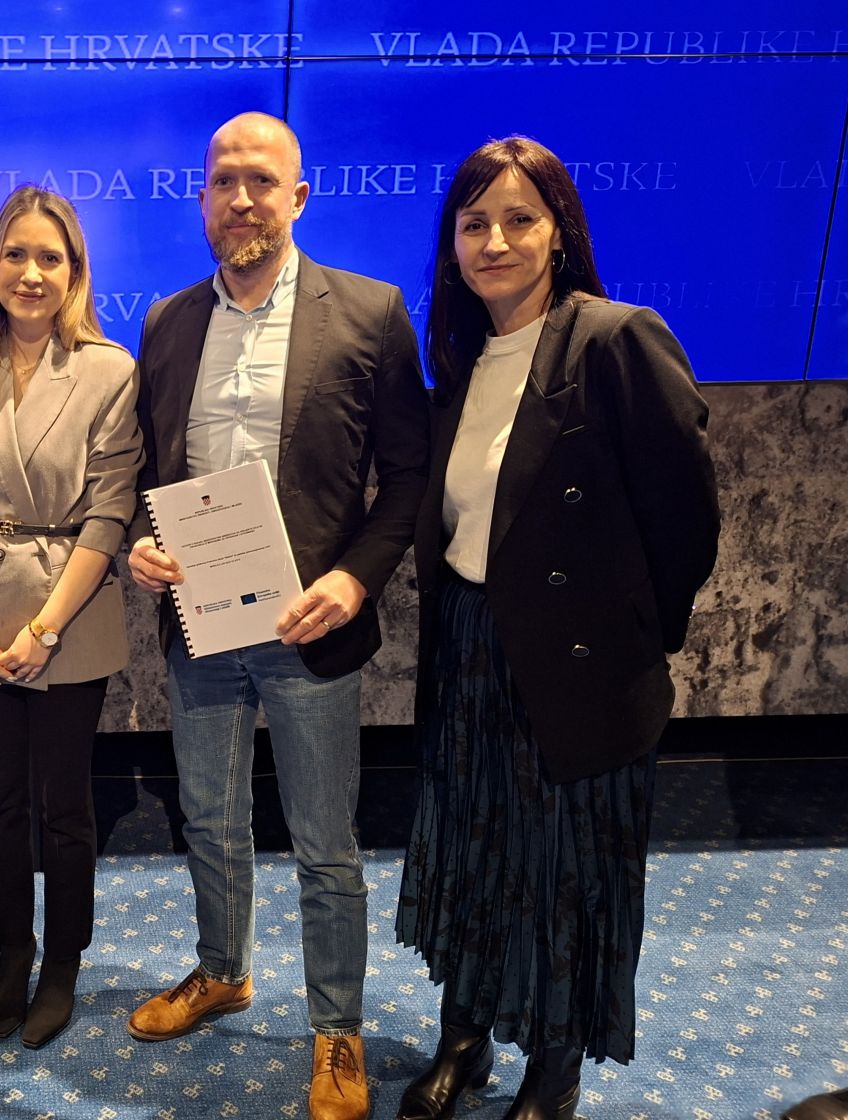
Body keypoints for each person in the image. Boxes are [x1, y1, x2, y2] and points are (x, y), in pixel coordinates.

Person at [394, 136, 719, 1120]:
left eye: (518, 219)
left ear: (560, 232)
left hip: (579, 661)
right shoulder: (458, 358)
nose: (494, 241)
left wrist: (633, 639)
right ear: (453, 243)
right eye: (474, 223)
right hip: (472, 647)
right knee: (476, 852)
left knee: (564, 870)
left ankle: (554, 1068)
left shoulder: (616, 340)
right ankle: (465, 1035)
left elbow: (686, 517)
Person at [124, 112, 429, 1120]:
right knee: (209, 818)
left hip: (312, 628)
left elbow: (409, 478)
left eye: (261, 180)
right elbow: (152, 470)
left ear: (298, 195)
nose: (241, 198)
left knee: (323, 842)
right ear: (203, 199)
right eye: (224, 181)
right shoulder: (168, 322)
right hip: (202, 623)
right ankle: (222, 972)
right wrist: (142, 542)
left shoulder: (371, 313)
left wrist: (356, 580)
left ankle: (336, 1026)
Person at [0, 186, 142, 1049]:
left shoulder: (110, 370)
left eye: (51, 257)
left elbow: (110, 515)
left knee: (65, 806)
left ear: (75, 271)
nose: (32, 273)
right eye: (16, 255)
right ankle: (15, 950)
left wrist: (44, 630)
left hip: (68, 611)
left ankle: (63, 963)